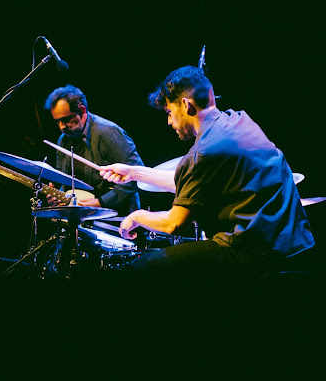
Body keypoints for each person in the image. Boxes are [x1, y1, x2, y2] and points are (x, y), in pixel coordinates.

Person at [98, 66, 315, 279]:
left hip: (252, 251)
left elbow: (173, 224)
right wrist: (134, 173)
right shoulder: (238, 121)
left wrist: (136, 216)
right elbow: (193, 183)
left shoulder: (205, 151)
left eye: (169, 112)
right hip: (295, 242)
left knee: (142, 266)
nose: (169, 121)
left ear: (186, 105)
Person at [44, 84, 144, 216]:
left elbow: (136, 176)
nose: (62, 127)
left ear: (82, 111)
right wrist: (59, 196)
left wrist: (100, 202)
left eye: (66, 119)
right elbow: (64, 180)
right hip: (84, 217)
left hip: (117, 215)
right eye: (57, 121)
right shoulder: (63, 141)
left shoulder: (109, 133)